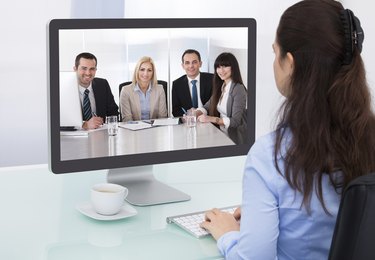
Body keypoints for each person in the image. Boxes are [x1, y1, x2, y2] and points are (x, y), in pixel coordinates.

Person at [200, 0, 375, 259]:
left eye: (275, 52)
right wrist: (265, 210)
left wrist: (228, 234)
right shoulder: (369, 139)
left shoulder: (269, 156)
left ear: (290, 63)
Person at [196, 52, 247, 145]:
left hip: (233, 138)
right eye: (218, 67)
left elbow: (235, 121)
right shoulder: (222, 86)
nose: (221, 70)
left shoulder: (238, 88)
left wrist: (211, 119)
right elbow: (208, 106)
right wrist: (195, 113)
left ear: (233, 68)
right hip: (221, 133)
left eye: (225, 66)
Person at [73, 52, 119, 130]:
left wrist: (106, 123)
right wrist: (85, 125)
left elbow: (113, 113)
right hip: (76, 136)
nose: (88, 73)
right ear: (75, 69)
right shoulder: (65, 90)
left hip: (100, 134)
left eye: (92, 69)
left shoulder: (102, 84)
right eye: (84, 68)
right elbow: (61, 122)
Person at [120, 56, 167, 122]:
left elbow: (162, 117)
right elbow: (127, 119)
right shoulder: (126, 91)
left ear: (153, 73)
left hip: (155, 130)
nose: (145, 74)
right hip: (134, 130)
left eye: (149, 70)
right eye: (142, 69)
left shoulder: (160, 89)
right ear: (137, 71)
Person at [172, 49, 213, 117]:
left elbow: (216, 104)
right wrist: (185, 117)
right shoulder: (177, 84)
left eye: (194, 62)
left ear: (200, 64)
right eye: (187, 63)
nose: (191, 66)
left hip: (209, 120)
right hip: (188, 122)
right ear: (183, 66)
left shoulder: (212, 79)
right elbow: (175, 110)